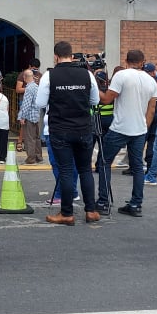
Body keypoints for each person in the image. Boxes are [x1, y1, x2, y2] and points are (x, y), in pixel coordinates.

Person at [34, 41, 100, 225]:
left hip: (60, 129)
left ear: (56, 56)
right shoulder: (87, 74)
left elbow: (40, 103)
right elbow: (94, 100)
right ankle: (91, 211)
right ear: (72, 56)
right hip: (84, 128)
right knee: (85, 169)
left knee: (65, 171)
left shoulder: (50, 76)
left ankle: (67, 213)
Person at [96, 50, 157, 218]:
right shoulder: (151, 81)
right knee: (137, 167)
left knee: (104, 162)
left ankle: (103, 201)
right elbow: (151, 109)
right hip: (139, 130)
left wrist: (94, 87)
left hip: (120, 128)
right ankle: (136, 204)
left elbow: (106, 99)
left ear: (126, 60)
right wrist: (144, 126)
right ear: (143, 61)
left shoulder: (121, 75)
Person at [17, 69, 42, 163]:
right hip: (36, 115)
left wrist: (22, 117)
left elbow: (26, 104)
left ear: (24, 78)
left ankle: (31, 158)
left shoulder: (28, 88)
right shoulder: (36, 87)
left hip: (29, 116)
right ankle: (38, 156)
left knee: (29, 138)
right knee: (36, 137)